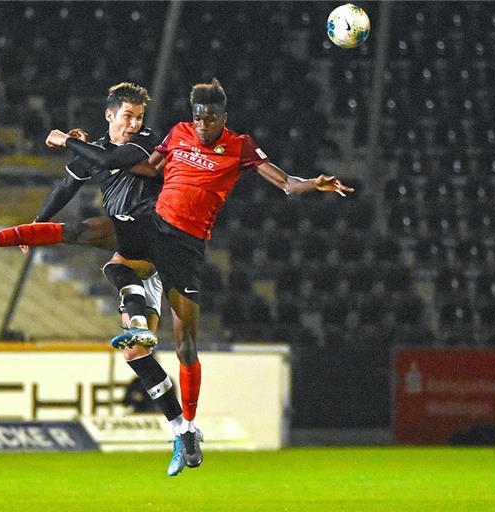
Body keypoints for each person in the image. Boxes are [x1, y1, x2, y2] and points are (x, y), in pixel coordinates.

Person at [109, 78, 354, 475]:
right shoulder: (178, 133)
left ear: (224, 117)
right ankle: (138, 321)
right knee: (117, 262)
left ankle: (187, 429)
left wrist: (314, 183)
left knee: (186, 345)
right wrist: (102, 153)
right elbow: (147, 168)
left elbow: (286, 184)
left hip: (187, 248)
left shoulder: (240, 146)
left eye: (210, 119)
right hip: (156, 228)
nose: (202, 125)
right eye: (198, 117)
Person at [0, 83, 188, 475]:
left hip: (154, 231)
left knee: (87, 234)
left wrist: (67, 140)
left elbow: (110, 157)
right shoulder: (97, 149)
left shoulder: (145, 143)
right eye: (127, 116)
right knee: (136, 352)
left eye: (139, 117)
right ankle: (183, 431)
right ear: (109, 115)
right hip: (135, 252)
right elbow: (68, 184)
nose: (134, 124)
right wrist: (38, 221)